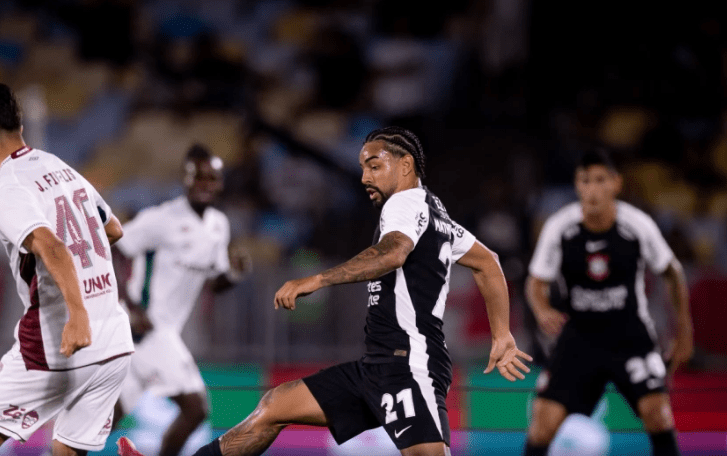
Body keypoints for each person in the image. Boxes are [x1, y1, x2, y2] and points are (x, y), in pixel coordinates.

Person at [161, 126, 530, 456]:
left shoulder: (403, 204)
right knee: (275, 405)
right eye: (363, 168)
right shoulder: (435, 213)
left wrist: (317, 280)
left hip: (408, 366)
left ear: (405, 166)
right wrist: (501, 334)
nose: (365, 177)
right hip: (378, 365)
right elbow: (488, 262)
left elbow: (394, 252)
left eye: (374, 165)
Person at [0, 82, 134, 456]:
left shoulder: (5, 189)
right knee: (67, 451)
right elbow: (113, 229)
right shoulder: (60, 167)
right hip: (115, 342)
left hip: (58, 345)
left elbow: (51, 246)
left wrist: (78, 315)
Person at [522, 148, 694, 456]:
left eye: (600, 180)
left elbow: (673, 273)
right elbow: (536, 281)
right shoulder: (560, 227)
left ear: (615, 184)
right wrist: (542, 308)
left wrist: (684, 333)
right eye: (585, 180)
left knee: (658, 415)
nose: (592, 189)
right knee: (542, 424)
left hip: (629, 336)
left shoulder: (637, 225)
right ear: (577, 186)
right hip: (580, 338)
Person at [114, 144, 251, 456]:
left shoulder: (219, 225)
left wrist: (233, 276)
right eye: (197, 177)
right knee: (196, 407)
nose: (204, 184)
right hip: (146, 327)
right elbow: (115, 249)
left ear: (220, 183)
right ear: (185, 179)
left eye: (211, 178)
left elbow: (212, 284)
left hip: (164, 331)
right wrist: (131, 307)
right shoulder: (161, 218)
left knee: (111, 415)